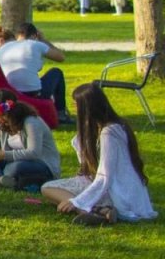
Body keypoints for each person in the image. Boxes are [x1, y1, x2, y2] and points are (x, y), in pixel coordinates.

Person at [42, 83, 157, 225]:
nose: (75, 110)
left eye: (76, 105)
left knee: (52, 190)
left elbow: (105, 176)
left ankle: (88, 211)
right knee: (47, 188)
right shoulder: (105, 127)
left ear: (87, 107)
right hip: (104, 183)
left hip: (118, 192)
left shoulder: (109, 132)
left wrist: (77, 201)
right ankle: (101, 210)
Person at [0, 90, 62, 190]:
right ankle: (1, 180)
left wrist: (4, 155)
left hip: (40, 163)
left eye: (2, 113)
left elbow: (34, 153)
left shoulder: (31, 122)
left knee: (12, 168)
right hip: (11, 161)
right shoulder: (0, 122)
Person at [0, 22, 72, 123]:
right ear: (34, 35)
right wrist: (43, 40)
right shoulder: (36, 44)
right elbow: (61, 57)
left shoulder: (4, 47)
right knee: (56, 73)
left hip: (10, 91)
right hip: (32, 93)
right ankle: (60, 113)